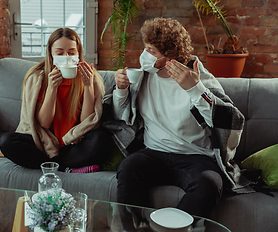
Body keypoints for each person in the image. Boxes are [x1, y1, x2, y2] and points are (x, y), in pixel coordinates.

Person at [104, 17, 252, 226]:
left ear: (170, 57)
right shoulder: (143, 77)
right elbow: (121, 118)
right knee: (129, 168)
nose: (145, 56)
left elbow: (229, 120)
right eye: (146, 48)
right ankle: (137, 228)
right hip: (154, 152)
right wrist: (121, 90)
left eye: (152, 52)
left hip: (196, 156)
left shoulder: (197, 76)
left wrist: (195, 89)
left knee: (210, 183)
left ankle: (170, 230)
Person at [0, 28, 111, 173]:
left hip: (74, 143)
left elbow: (86, 122)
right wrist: (52, 88)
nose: (66, 57)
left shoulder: (90, 77)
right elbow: (44, 123)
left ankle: (52, 166)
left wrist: (88, 86)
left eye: (71, 53)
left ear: (78, 54)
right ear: (51, 55)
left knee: (101, 140)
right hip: (43, 143)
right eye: (60, 53)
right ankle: (65, 167)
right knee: (7, 142)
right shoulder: (37, 78)